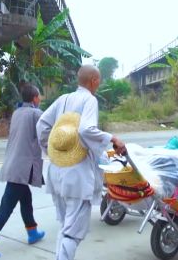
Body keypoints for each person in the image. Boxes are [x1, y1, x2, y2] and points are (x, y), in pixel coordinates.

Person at [37, 65, 126, 260]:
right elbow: (86, 129)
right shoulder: (89, 100)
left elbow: (41, 124)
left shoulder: (63, 99)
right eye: (99, 80)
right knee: (72, 231)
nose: (99, 83)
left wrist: (52, 149)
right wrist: (113, 138)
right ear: (93, 80)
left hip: (56, 170)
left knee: (65, 226)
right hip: (76, 175)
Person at [0, 84, 46, 259]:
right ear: (34, 98)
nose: (40, 99)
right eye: (39, 96)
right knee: (6, 206)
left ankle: (32, 232)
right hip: (22, 168)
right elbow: (46, 135)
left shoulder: (18, 113)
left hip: (14, 164)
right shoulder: (36, 114)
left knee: (26, 200)